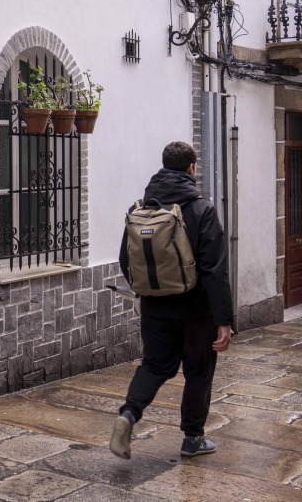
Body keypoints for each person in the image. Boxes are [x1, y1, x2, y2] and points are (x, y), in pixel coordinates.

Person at [110, 141, 233, 460]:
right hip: (197, 311)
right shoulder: (202, 210)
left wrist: (146, 291)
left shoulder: (140, 209)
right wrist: (223, 321)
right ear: (191, 168)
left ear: (163, 166)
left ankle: (129, 414)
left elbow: (125, 259)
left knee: (154, 366)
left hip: (155, 308)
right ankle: (192, 438)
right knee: (198, 371)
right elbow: (215, 270)